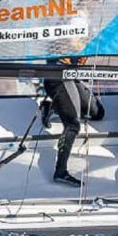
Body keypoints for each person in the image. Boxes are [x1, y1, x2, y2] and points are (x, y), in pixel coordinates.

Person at [41, 57, 104, 187]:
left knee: (97, 113)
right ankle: (60, 171)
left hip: (73, 76)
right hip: (59, 76)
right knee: (73, 124)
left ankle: (51, 106)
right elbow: (72, 42)